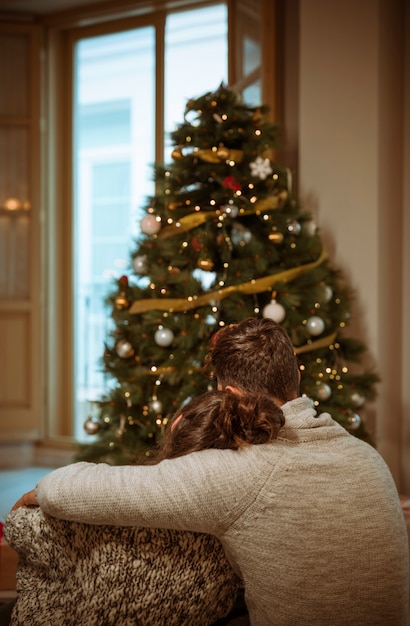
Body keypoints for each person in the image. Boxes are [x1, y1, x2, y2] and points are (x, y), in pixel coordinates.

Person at [10, 318, 410, 625]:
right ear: (296, 377)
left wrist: (39, 490)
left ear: (228, 395)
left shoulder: (241, 474)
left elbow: (77, 490)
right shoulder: (367, 456)